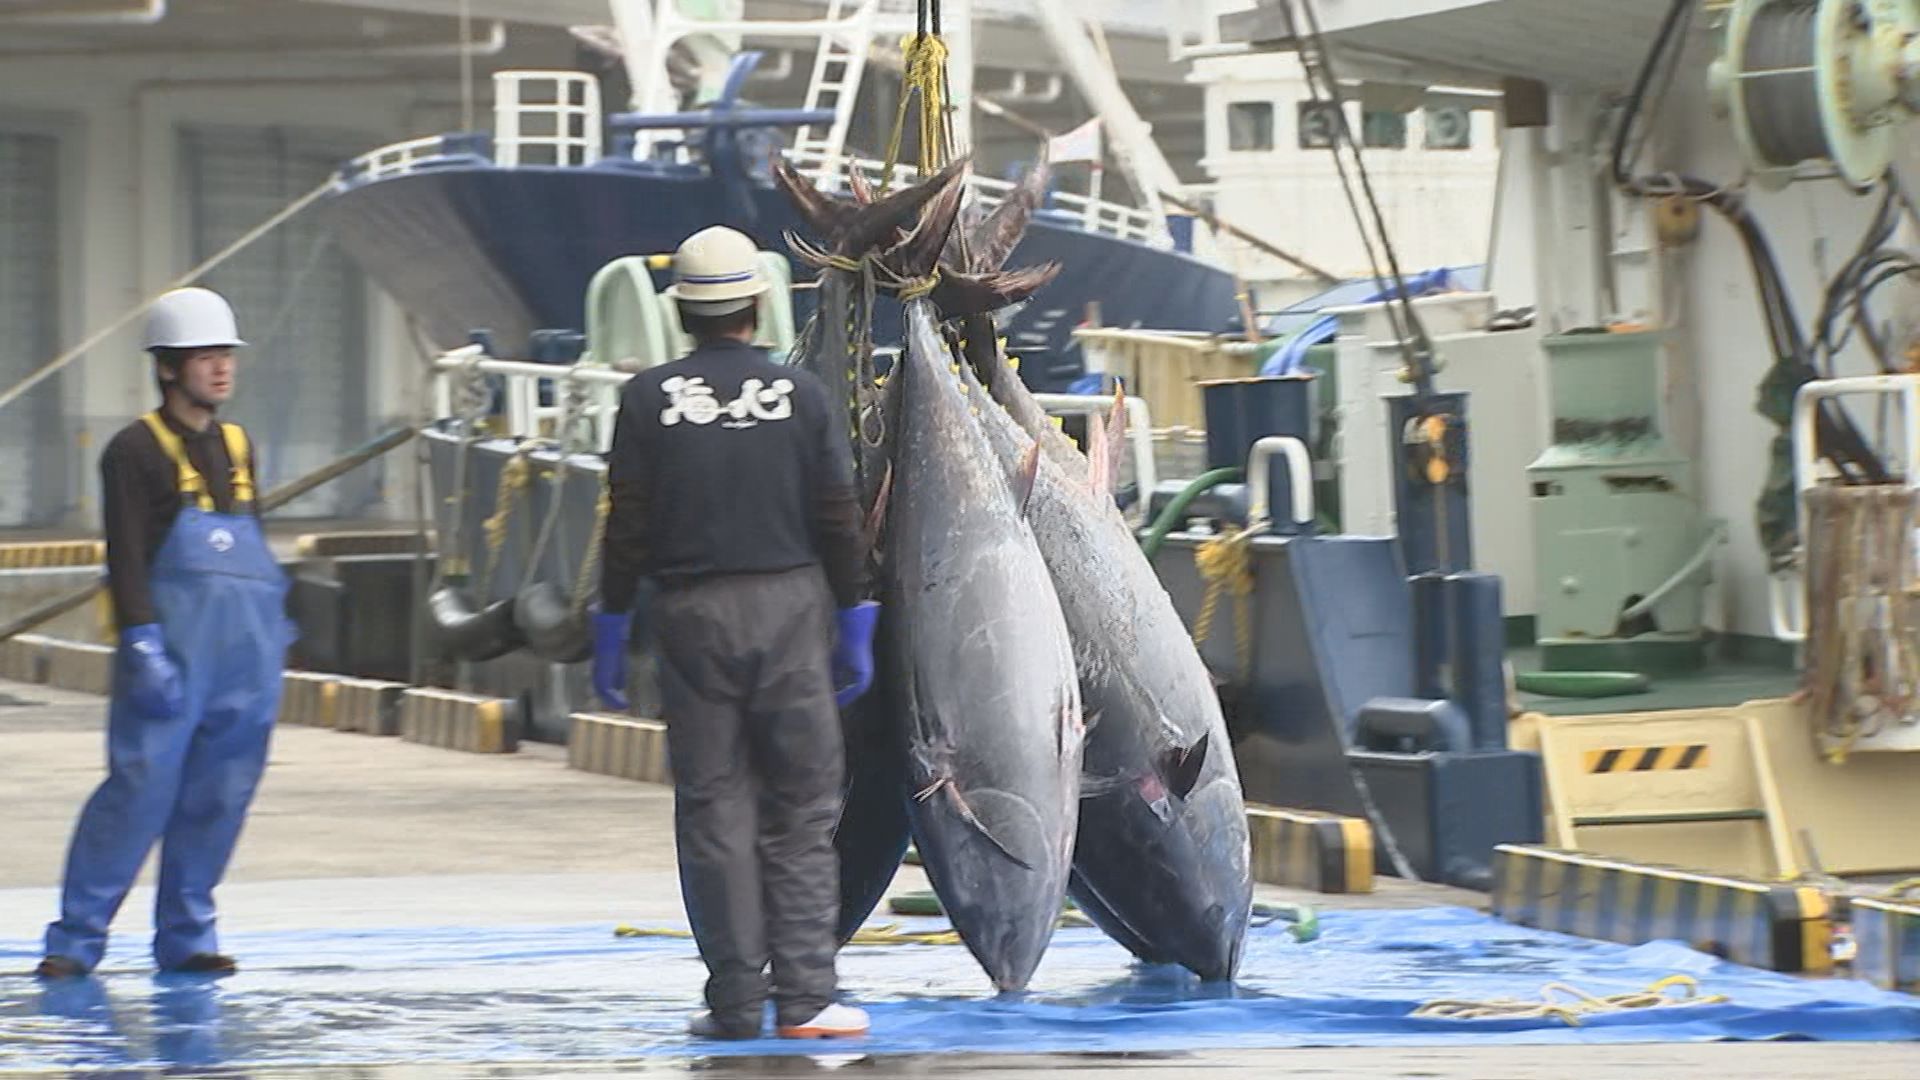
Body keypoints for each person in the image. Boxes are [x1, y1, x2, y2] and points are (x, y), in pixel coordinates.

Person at [592, 226, 880, 1040]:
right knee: (801, 806)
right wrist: (855, 616)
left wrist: (612, 621)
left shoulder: (648, 399)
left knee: (714, 808)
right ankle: (806, 999)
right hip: (789, 610)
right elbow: (838, 515)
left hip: (690, 617)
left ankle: (733, 1002)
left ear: (682, 311)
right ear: (759, 304)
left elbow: (627, 526)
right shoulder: (801, 398)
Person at [37, 287, 293, 980]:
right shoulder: (133, 450)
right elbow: (124, 554)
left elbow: (254, 548)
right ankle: (75, 939)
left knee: (221, 794)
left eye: (225, 355)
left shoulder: (239, 446)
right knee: (139, 790)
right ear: (168, 367)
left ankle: (187, 937)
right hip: (170, 656)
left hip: (244, 660)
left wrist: (277, 626)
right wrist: (140, 640)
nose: (220, 369)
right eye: (204, 357)